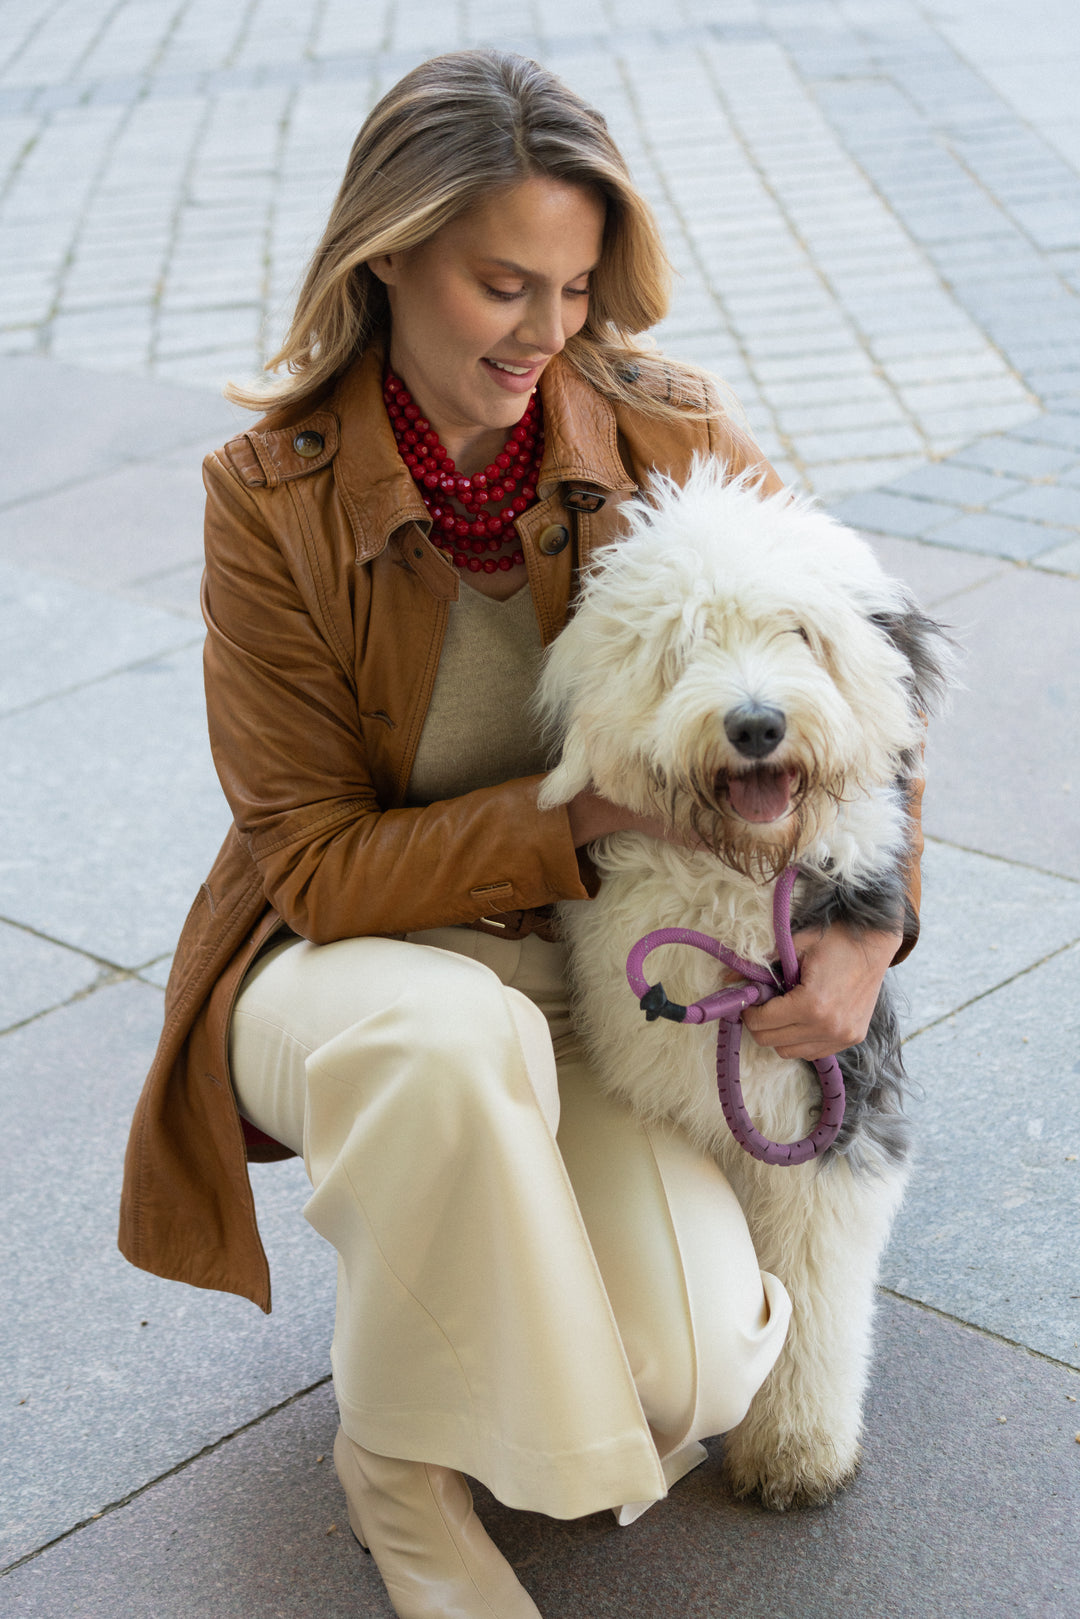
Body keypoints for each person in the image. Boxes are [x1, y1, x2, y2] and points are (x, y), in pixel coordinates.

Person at [119, 48, 920, 1619]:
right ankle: (398, 1479)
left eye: (574, 286)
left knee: (685, 1379)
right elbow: (319, 864)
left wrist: (866, 927)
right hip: (349, 978)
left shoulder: (661, 424)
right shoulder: (265, 498)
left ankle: (460, 1245)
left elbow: (859, 663)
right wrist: (592, 809)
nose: (549, 331)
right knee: (443, 1043)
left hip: (601, 991)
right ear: (391, 255)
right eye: (504, 284)